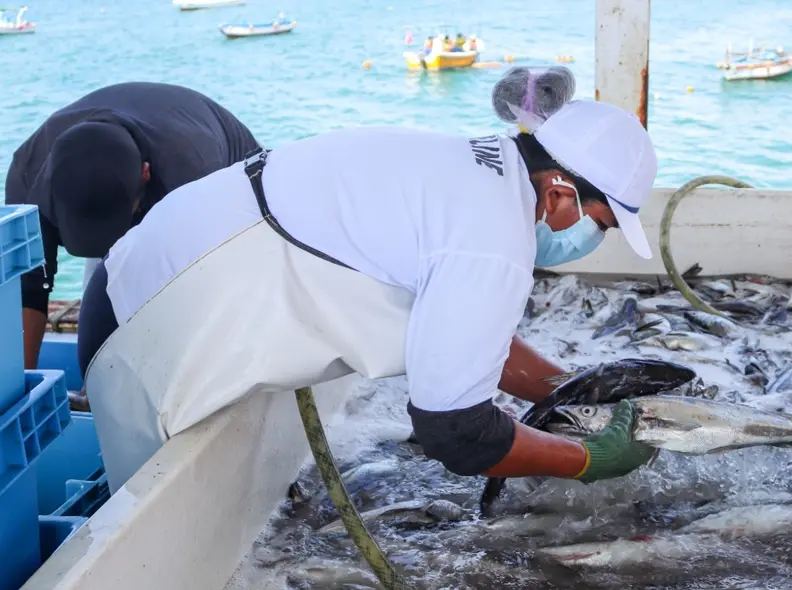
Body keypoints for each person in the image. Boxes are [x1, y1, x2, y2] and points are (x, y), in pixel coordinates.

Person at [80, 66, 659, 492]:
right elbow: (456, 434)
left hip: (142, 274)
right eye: (601, 223)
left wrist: (575, 393)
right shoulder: (494, 239)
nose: (590, 238)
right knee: (159, 548)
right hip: (141, 334)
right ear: (560, 191)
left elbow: (471, 340)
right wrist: (587, 459)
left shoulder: (470, 168)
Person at [5, 81, 261, 372]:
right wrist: (19, 394)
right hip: (121, 186)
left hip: (230, 177)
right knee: (103, 298)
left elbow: (205, 288)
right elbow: (29, 291)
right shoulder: (27, 178)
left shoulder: (195, 171)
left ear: (145, 174)